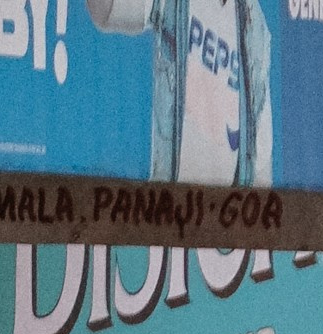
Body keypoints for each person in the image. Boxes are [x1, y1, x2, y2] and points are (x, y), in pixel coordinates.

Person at [87, 0, 274, 191]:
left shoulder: (255, 24)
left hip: (227, 212)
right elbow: (108, 10)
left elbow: (261, 166)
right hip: (170, 204)